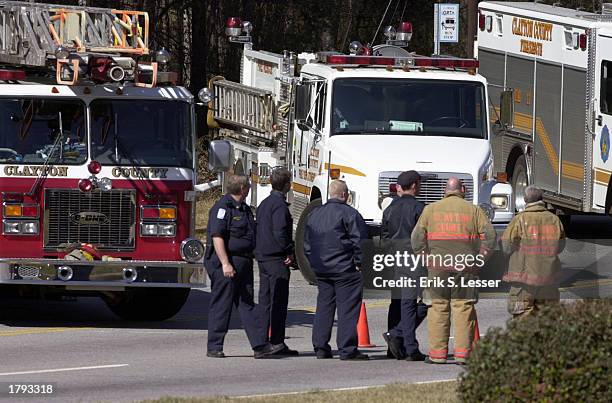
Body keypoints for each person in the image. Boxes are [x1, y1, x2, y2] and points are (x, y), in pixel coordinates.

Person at [411, 177, 496, 365]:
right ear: (463, 190)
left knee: (438, 308)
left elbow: (417, 239)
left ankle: (438, 355)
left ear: (444, 190)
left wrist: (426, 259)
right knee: (463, 308)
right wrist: (480, 259)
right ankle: (463, 355)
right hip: (466, 267)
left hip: (437, 267)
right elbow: (490, 238)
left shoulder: (430, 210)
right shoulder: (474, 211)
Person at [204, 174, 283, 359]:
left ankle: (260, 346)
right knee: (222, 305)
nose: (249, 189)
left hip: (244, 262)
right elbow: (217, 237)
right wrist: (225, 263)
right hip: (227, 263)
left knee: (247, 305)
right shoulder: (222, 208)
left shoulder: (245, 209)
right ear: (242, 189)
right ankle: (214, 346)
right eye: (248, 187)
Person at [304, 180, 369, 360]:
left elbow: (306, 243)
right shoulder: (350, 214)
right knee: (347, 309)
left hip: (322, 269)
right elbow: (360, 242)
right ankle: (347, 348)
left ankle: (320, 346)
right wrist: (360, 264)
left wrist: (314, 263)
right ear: (344, 194)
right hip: (345, 269)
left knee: (324, 307)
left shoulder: (315, 214)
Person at [381, 170, 428, 361]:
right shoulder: (420, 208)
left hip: (394, 259)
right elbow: (424, 236)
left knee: (397, 303)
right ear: (415, 185)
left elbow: (384, 236)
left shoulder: (389, 209)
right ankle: (408, 345)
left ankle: (394, 345)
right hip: (413, 259)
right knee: (419, 303)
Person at [501, 186, 565, 319]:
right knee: (548, 318)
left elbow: (506, 246)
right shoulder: (554, 220)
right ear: (542, 199)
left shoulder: (519, 220)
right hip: (549, 278)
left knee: (523, 317)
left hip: (524, 279)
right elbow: (560, 246)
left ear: (525, 200)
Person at [255, 167, 298, 356]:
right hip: (275, 258)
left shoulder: (264, 203)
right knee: (278, 303)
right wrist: (288, 250)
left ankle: (263, 342)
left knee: (265, 302)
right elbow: (280, 231)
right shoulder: (279, 206)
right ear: (287, 185)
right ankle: (277, 342)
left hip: (263, 257)